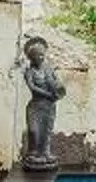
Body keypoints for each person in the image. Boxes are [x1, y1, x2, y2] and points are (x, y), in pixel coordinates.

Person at [20, 37, 64, 171]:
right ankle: (33, 153)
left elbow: (58, 82)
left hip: (49, 106)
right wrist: (47, 94)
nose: (41, 57)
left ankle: (45, 152)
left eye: (42, 54)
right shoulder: (29, 72)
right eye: (38, 55)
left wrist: (57, 90)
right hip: (36, 105)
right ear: (31, 57)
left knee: (47, 130)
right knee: (34, 131)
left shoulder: (49, 69)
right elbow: (33, 88)